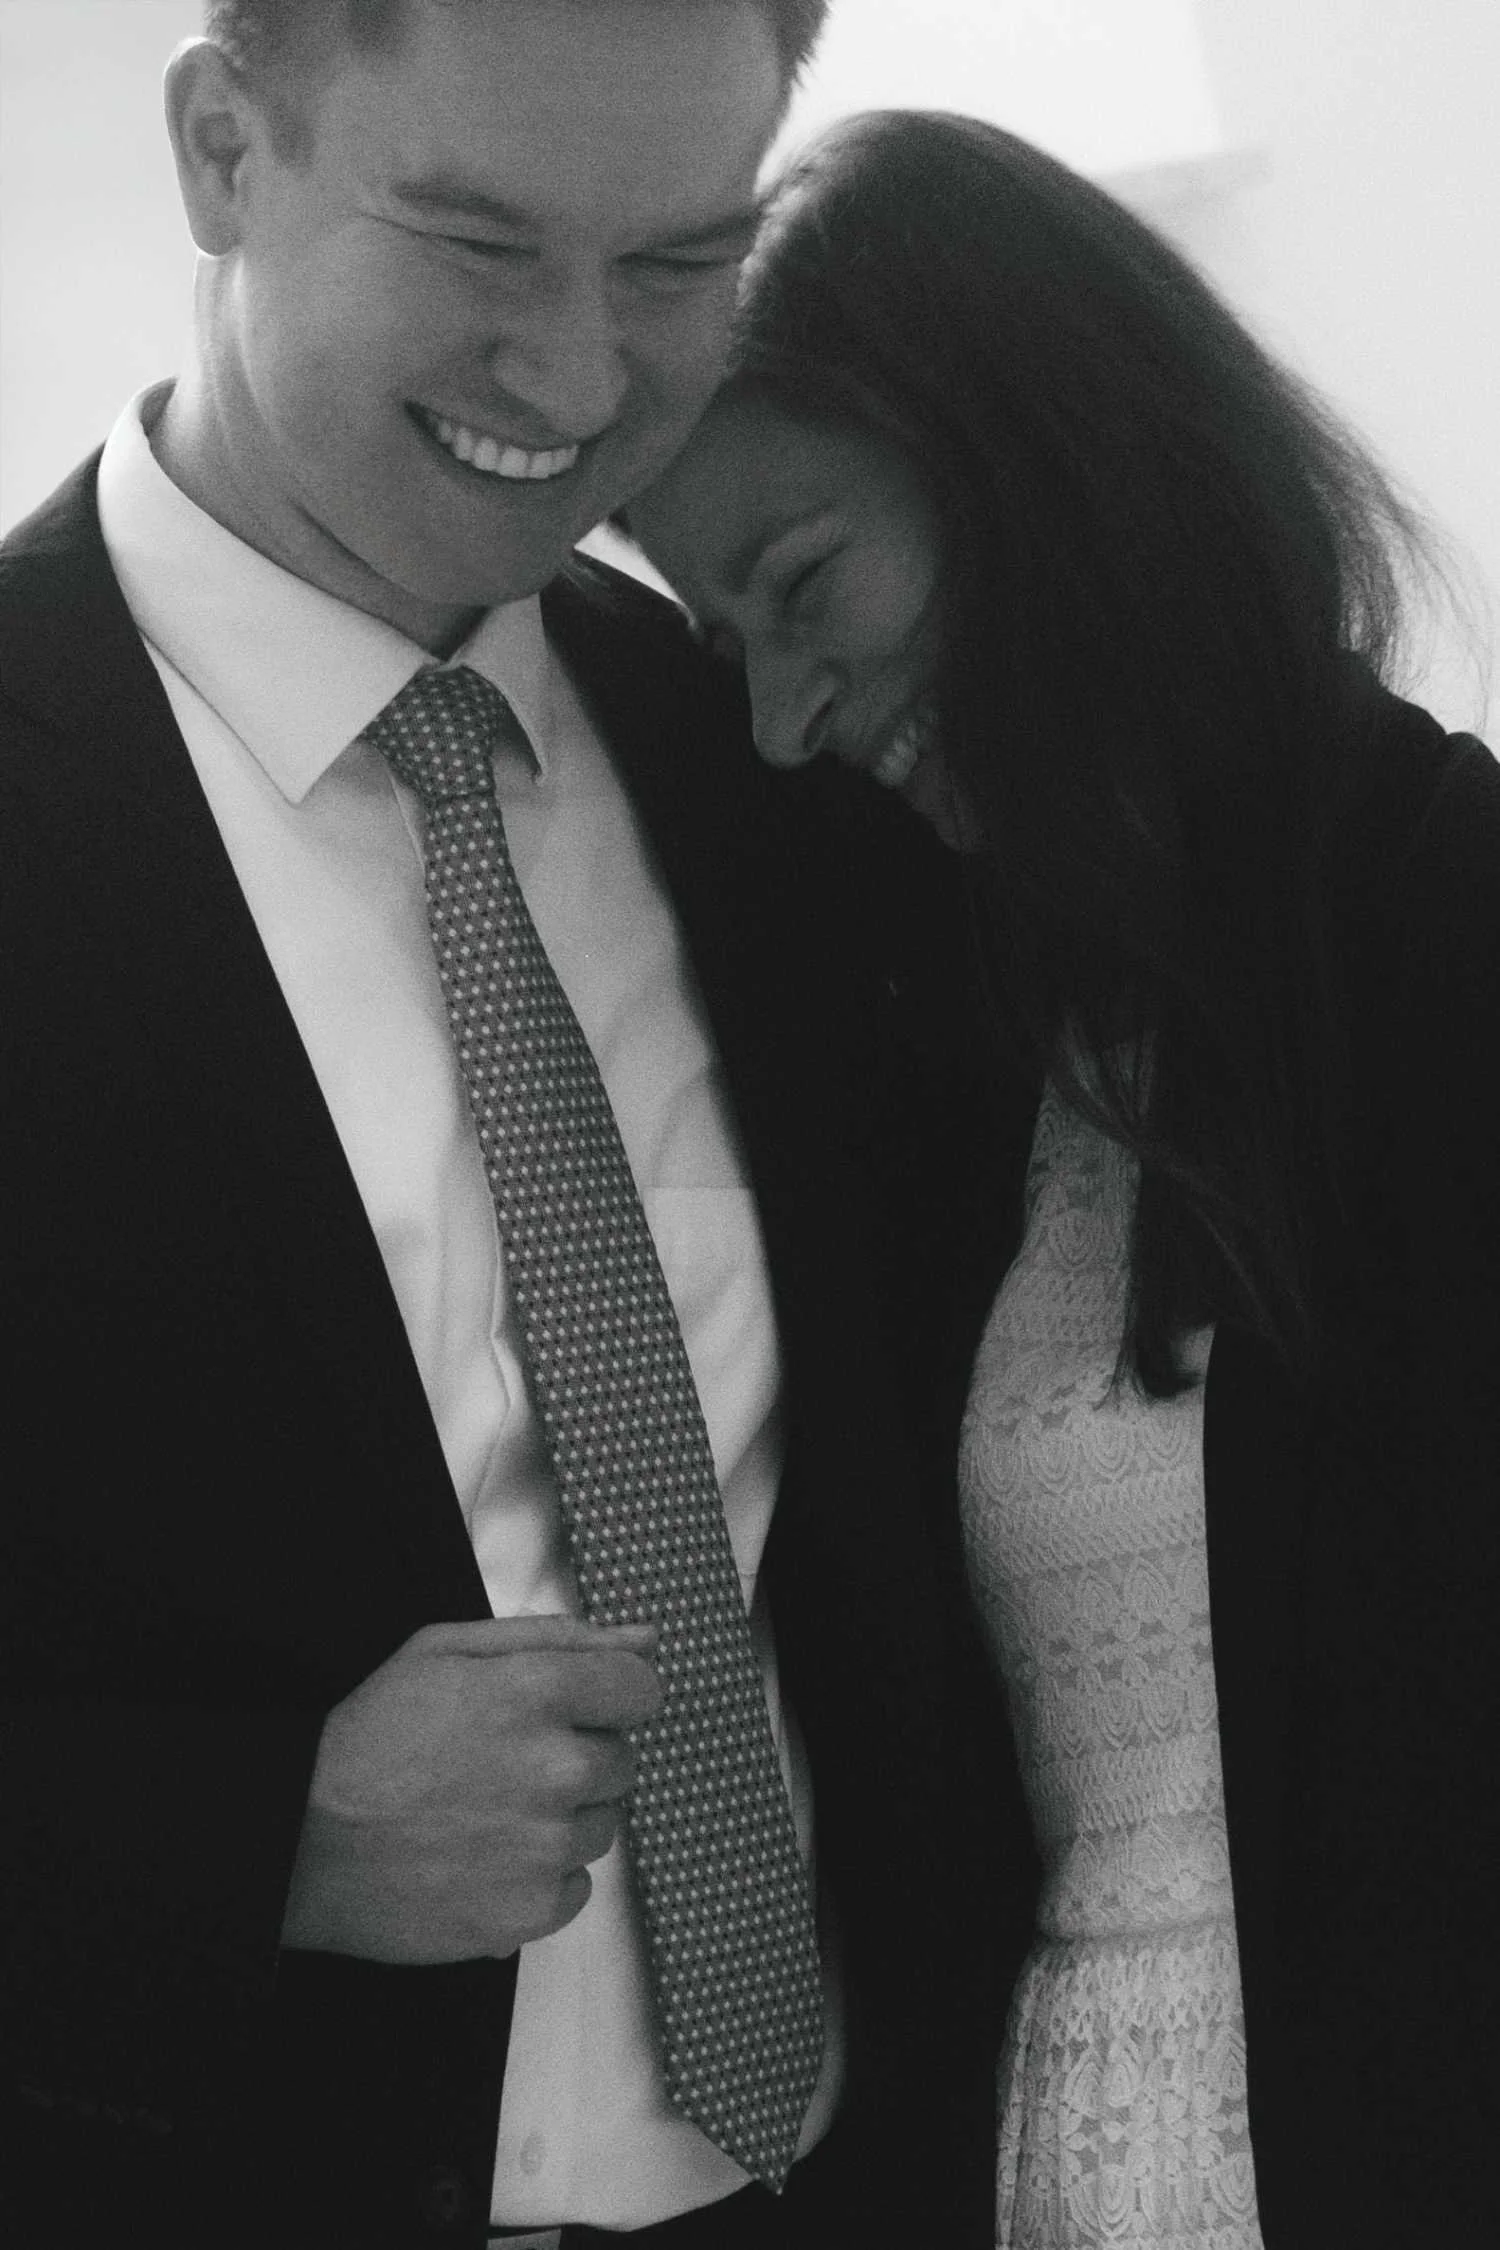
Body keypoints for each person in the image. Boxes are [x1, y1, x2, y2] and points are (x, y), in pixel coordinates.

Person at [0, 17, 1035, 2247]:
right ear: (222, 148)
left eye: (680, 260)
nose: (575, 376)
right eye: (476, 237)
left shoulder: (784, 773)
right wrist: (241, 1843)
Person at [629, 109, 1500, 2250]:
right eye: (722, 632)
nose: (780, 714)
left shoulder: (1447, 927)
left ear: (1036, 456)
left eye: (799, 583)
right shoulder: (1006, 1053)